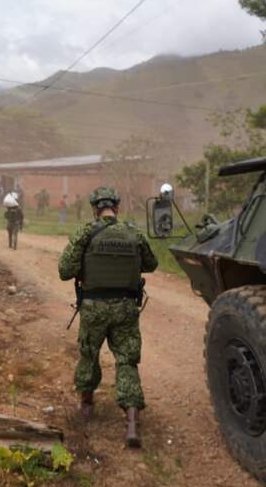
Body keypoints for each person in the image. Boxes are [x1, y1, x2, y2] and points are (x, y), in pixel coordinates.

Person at [57, 187, 158, 448]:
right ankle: (132, 422)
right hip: (125, 307)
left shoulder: (85, 233)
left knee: (89, 353)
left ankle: (87, 407)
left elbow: (65, 270)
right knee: (127, 359)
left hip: (94, 308)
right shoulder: (134, 233)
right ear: (117, 207)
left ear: (94, 209)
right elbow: (151, 264)